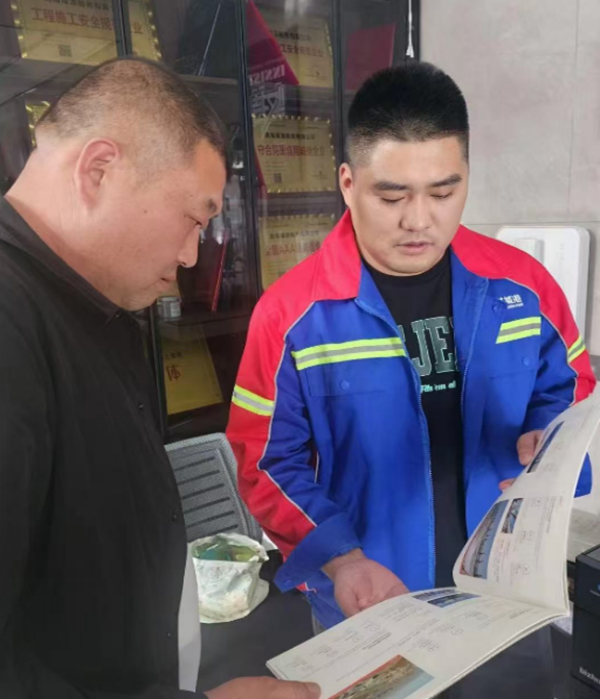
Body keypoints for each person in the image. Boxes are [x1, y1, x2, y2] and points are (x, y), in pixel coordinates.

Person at [227, 62, 595, 631]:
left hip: (508, 585)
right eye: (392, 196)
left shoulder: (523, 287)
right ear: (348, 184)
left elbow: (569, 388)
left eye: (444, 192)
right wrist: (342, 559)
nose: (419, 220)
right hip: (367, 597)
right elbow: (266, 461)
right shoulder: (293, 316)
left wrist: (549, 439)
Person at [0, 57, 320, 699]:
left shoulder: (89, 305)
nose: (190, 255)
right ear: (98, 170)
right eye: (194, 219)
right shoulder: (12, 321)